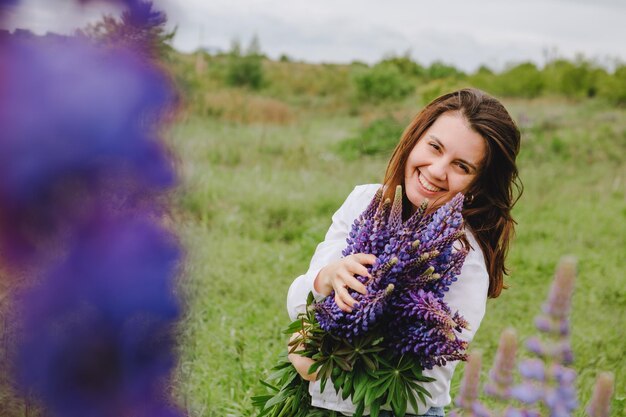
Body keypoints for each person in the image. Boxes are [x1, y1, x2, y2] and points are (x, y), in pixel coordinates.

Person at [286, 88, 522, 417]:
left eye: (461, 166)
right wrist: (324, 281)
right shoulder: (364, 201)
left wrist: (326, 364)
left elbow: (424, 381)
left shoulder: (464, 254)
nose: (438, 170)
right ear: (415, 138)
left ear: (478, 184)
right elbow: (300, 303)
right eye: (434, 147)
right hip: (314, 404)